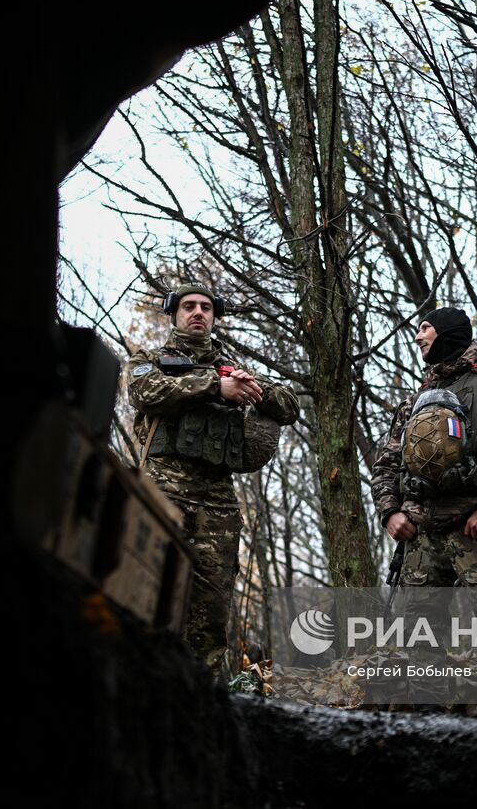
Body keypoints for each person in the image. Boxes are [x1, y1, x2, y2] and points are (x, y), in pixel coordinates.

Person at [124, 283, 299, 675]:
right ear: (174, 313)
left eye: (205, 307)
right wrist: (214, 387)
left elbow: (287, 406)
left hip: (216, 499)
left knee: (211, 610)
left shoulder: (231, 367)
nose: (198, 313)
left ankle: (200, 699)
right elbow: (143, 391)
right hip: (161, 490)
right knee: (147, 593)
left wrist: (253, 389)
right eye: (189, 306)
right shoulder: (150, 358)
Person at [371, 307, 477, 590]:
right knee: (418, 633)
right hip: (421, 540)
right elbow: (386, 464)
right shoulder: (416, 400)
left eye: (425, 328)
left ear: (447, 332)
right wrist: (390, 512)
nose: (417, 337)